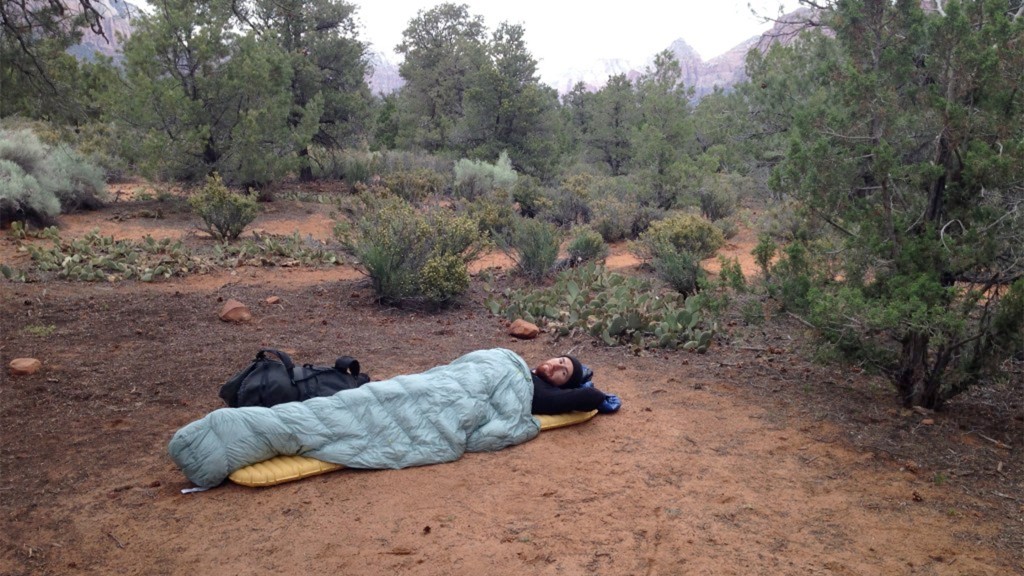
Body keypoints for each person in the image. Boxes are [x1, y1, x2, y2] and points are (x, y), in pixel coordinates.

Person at [531, 354, 621, 415]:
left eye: (563, 373)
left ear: (561, 387)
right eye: (561, 361)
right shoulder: (528, 371)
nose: (557, 366)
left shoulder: (545, 395)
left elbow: (593, 395)